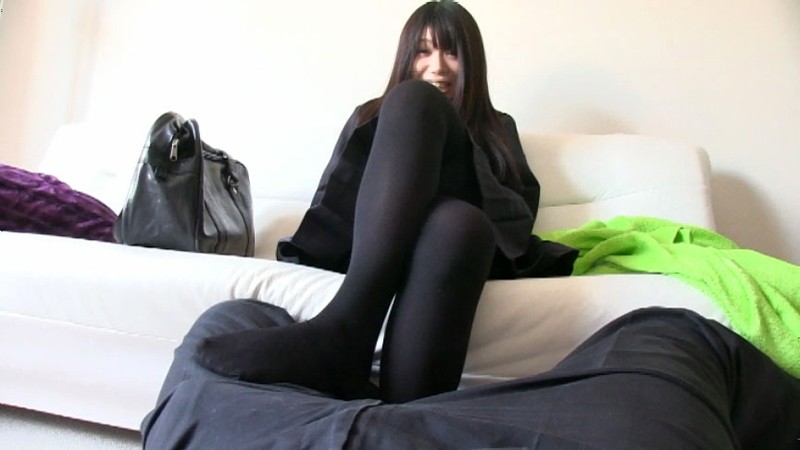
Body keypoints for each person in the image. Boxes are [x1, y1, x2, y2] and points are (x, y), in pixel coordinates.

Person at [192, 0, 577, 404]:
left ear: (472, 62)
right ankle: (398, 409)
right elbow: (335, 201)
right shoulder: (370, 116)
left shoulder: (497, 127)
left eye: (451, 52)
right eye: (423, 51)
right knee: (449, 203)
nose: (438, 67)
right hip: (394, 239)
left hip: (472, 243)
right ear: (405, 57)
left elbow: (514, 213)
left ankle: (347, 336)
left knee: (457, 208)